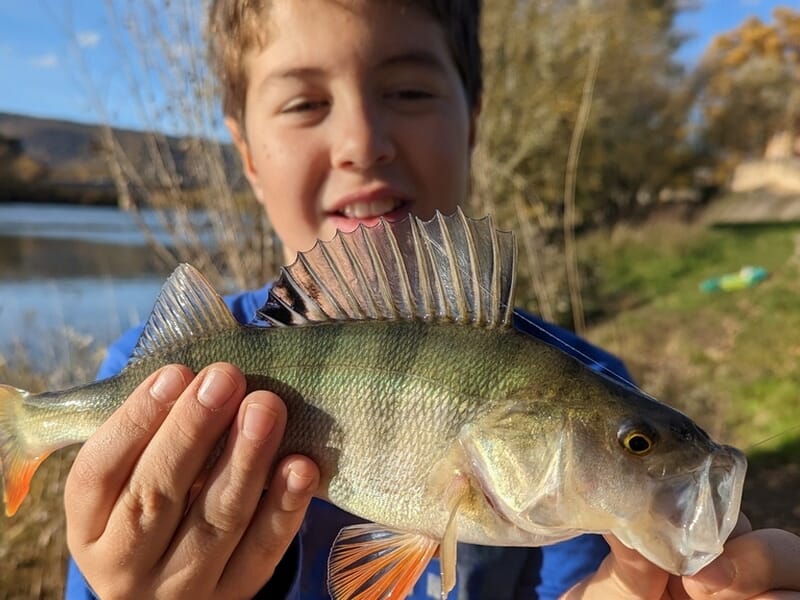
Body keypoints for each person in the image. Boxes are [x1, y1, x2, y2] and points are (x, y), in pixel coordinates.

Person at [64, 1, 800, 598]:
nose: (362, 142)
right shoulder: (148, 371)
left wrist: (623, 591)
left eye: (409, 92)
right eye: (304, 102)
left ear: (473, 120)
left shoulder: (585, 374)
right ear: (246, 155)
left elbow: (577, 585)